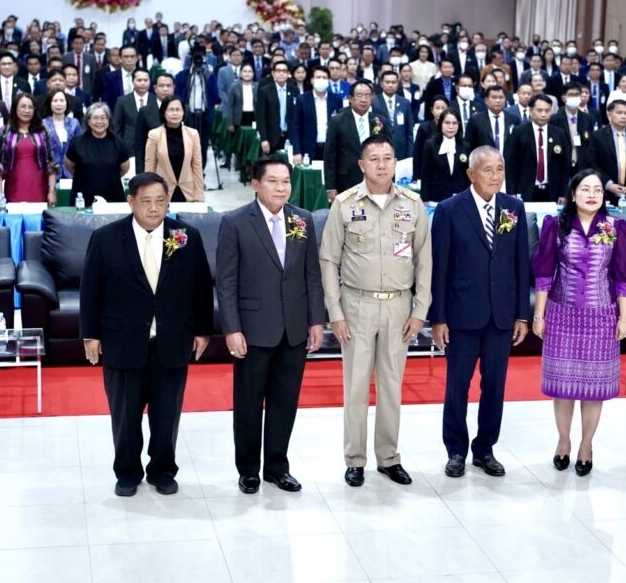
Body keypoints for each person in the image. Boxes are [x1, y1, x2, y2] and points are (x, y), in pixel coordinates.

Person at [80, 172, 213, 497]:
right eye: (146, 201)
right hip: (123, 341)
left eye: (160, 201)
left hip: (172, 340)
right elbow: (91, 290)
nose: (154, 208)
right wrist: (90, 335)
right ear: (131, 202)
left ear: (168, 202)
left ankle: (163, 470)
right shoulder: (106, 238)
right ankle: (127, 472)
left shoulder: (187, 236)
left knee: (167, 415)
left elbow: (201, 287)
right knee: (125, 416)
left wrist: (203, 330)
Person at [319, 135, 431, 487]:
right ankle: (355, 459)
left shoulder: (412, 204)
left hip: (399, 306)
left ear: (395, 162)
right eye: (374, 159)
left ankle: (388, 457)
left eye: (387, 158)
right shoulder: (345, 204)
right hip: (357, 306)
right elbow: (328, 259)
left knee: (391, 386)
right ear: (361, 164)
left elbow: (424, 259)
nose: (381, 165)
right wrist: (335, 312)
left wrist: (420, 309)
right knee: (355, 386)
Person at [216, 157, 325, 494]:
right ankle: (248, 469)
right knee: (249, 403)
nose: (281, 188)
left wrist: (315, 321)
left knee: (285, 401)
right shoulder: (235, 222)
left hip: (294, 328)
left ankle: (277, 467)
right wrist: (232, 328)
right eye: (273, 181)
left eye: (286, 181)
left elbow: (312, 275)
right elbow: (226, 282)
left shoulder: (302, 219)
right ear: (256, 184)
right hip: (252, 329)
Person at [430, 146, 529, 478]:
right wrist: (438, 317)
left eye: (500, 169)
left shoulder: (513, 208)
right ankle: (455, 450)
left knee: (495, 386)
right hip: (461, 315)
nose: (495, 176)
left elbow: (521, 264)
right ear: (471, 174)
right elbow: (439, 267)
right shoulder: (449, 209)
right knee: (457, 386)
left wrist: (521, 315)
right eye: (488, 170)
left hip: (501, 315)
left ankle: (485, 448)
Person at [531, 169, 626, 476]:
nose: (592, 195)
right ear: (573, 194)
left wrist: (624, 317)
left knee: (594, 388)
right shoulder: (556, 225)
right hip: (561, 314)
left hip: (601, 316)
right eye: (585, 189)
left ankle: (586, 445)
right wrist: (539, 315)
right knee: (563, 387)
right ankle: (563, 441)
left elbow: (623, 276)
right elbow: (544, 273)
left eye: (598, 190)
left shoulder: (616, 228)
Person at [323, 80, 392, 200]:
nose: (363, 99)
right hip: (346, 180)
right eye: (359, 95)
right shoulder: (337, 121)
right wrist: (331, 187)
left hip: (376, 179)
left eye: (367, 95)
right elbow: (330, 155)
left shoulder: (379, 121)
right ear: (350, 98)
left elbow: (389, 152)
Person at [0, 92, 59, 204]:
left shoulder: (43, 131)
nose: (27, 110)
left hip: (39, 188)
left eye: (30, 107)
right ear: (15, 108)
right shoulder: (4, 132)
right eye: (23, 106)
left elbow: (51, 163)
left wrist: (52, 191)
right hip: (14, 188)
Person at [505, 94, 570, 203]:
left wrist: (563, 193)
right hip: (525, 190)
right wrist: (511, 192)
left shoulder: (559, 134)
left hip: (552, 191)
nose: (543, 114)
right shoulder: (519, 132)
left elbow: (565, 166)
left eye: (547, 111)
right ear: (530, 110)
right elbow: (511, 164)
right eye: (539, 110)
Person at [65, 102, 130, 205]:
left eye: (103, 118)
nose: (99, 122)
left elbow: (124, 169)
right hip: (83, 197)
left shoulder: (119, 143)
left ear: (108, 120)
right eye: (95, 118)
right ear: (88, 121)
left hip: (112, 197)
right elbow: (70, 166)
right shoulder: (77, 142)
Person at [144, 97, 204, 202]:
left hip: (187, 191)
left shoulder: (193, 134)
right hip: (162, 191)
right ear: (164, 113)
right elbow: (150, 167)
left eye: (178, 109)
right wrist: (149, 193)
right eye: (171, 110)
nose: (175, 113)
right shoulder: (154, 135)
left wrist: (199, 194)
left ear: (183, 112)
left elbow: (197, 166)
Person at [587, 100, 626, 205]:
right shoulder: (597, 136)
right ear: (609, 115)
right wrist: (609, 184)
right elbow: (592, 163)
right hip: (605, 191)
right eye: (619, 113)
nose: (623, 116)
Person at [289, 65, 341, 162]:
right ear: (312, 80)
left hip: (330, 148)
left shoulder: (336, 99)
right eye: (318, 77)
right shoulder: (302, 99)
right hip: (308, 149)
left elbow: (340, 126)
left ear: (328, 80)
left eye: (324, 77)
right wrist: (296, 151)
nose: (321, 80)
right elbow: (295, 126)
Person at [421, 110, 470, 203]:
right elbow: (425, 175)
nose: (451, 127)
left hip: (459, 198)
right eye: (447, 123)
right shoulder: (430, 145)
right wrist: (424, 199)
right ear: (441, 124)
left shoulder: (465, 146)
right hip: (436, 198)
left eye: (454, 123)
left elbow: (467, 176)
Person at [255, 59, 298, 154]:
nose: (281, 73)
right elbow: (261, 117)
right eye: (278, 71)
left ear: (288, 74)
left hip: (289, 136)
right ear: (273, 73)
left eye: (284, 71)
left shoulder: (294, 90)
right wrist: (264, 139)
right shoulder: (265, 91)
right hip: (271, 137)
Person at [372, 70, 413, 160]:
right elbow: (374, 129)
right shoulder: (374, 102)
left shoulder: (405, 103)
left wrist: (410, 155)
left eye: (393, 82)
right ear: (381, 84)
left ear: (398, 84)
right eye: (387, 82)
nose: (390, 85)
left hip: (401, 151)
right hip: (380, 149)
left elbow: (409, 132)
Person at [42, 89, 81, 178]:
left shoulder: (74, 123)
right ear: (50, 103)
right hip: (50, 173)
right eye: (55, 101)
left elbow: (80, 148)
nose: (59, 104)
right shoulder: (43, 124)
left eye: (62, 100)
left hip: (71, 172)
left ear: (66, 103)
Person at [412, 96, 448, 182]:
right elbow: (417, 154)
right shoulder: (424, 128)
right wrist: (416, 177)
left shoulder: (451, 127)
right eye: (437, 108)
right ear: (432, 110)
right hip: (427, 172)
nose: (440, 111)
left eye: (443, 108)